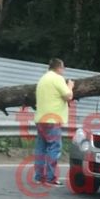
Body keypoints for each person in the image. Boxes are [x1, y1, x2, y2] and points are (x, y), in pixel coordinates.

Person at [34, 58, 74, 186]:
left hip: (41, 119)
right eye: (63, 67)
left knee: (41, 148)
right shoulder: (57, 78)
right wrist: (70, 86)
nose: (64, 70)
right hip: (53, 119)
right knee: (54, 148)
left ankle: (39, 177)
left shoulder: (43, 79)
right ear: (59, 68)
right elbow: (68, 96)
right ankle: (51, 178)